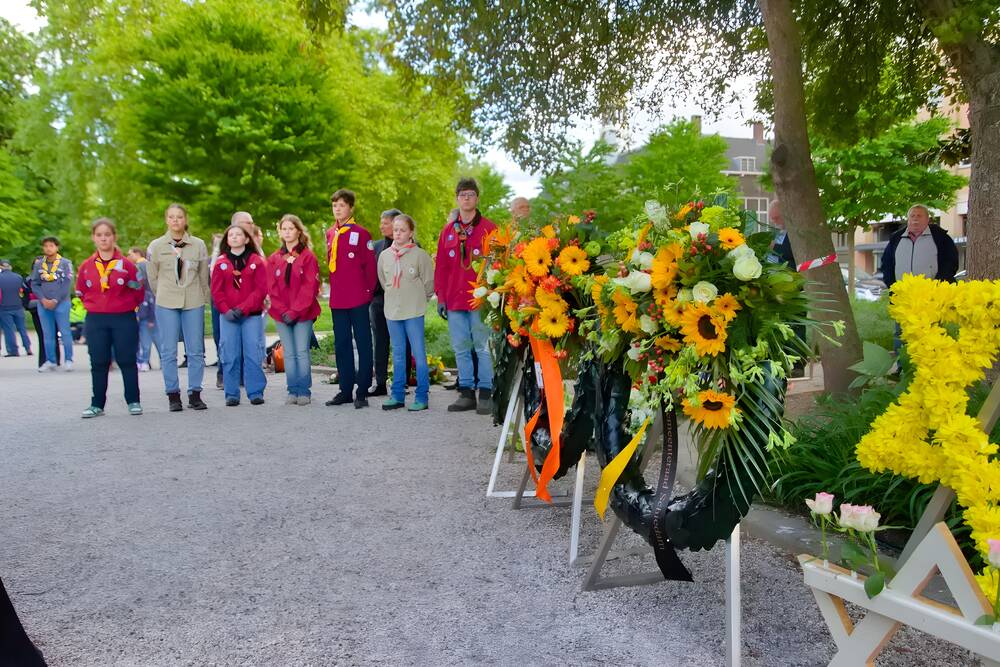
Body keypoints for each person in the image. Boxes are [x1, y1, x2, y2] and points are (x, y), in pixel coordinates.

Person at [435, 178, 496, 414]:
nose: (466, 198)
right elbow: (441, 266)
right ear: (457, 198)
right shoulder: (448, 231)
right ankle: (467, 392)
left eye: (471, 194)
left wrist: (494, 296)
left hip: (479, 299)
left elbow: (498, 266)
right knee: (461, 347)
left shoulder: (489, 229)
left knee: (482, 346)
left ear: (477, 198)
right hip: (454, 299)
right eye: (462, 195)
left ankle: (486, 392)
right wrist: (441, 297)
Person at [75, 218, 145, 418]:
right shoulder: (87, 266)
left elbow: (138, 290)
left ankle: (133, 400)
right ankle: (97, 404)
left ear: (114, 237)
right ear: (93, 238)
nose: (104, 239)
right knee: (98, 360)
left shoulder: (127, 265)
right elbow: (80, 290)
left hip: (123, 317)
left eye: (107, 234)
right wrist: (95, 304)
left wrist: (124, 304)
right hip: (96, 318)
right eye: (99, 235)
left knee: (127, 359)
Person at [146, 203, 210, 412]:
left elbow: (202, 276)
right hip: (167, 301)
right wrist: (162, 293)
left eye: (179, 217)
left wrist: (203, 297)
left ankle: (195, 393)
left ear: (185, 220)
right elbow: (152, 277)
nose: (175, 221)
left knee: (196, 350)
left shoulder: (198, 245)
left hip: (192, 300)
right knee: (168, 350)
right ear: (166, 220)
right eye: (171, 217)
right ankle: (173, 394)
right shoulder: (156, 246)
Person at [880, 204, 958, 352]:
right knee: (901, 334)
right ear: (908, 219)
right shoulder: (896, 238)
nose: (915, 219)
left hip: (931, 299)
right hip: (903, 298)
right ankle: (902, 368)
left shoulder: (941, 237)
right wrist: (892, 285)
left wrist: (937, 286)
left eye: (919, 216)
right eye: (912, 216)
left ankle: (928, 370)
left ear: (927, 219)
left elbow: (950, 263)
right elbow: (886, 264)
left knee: (931, 333)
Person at [324, 188, 377, 409]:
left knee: (363, 344)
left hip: (358, 299)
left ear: (351, 208)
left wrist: (366, 294)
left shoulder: (361, 234)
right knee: (342, 344)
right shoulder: (330, 234)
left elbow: (370, 268)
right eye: (334, 205)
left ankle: (362, 391)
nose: (337, 209)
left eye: (342, 205)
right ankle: (345, 389)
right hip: (338, 300)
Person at [378, 214, 434, 411]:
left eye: (402, 230)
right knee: (399, 354)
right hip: (393, 311)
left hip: (413, 310)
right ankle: (398, 395)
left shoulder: (420, 255)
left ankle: (422, 396)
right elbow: (383, 280)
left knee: (418, 353)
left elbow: (428, 283)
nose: (398, 233)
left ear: (411, 232)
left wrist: (419, 298)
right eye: (395, 230)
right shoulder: (385, 256)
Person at [211, 224, 268, 406]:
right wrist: (225, 310)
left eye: (238, 234)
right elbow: (216, 291)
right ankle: (232, 393)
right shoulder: (220, 263)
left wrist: (243, 308)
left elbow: (260, 290)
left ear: (246, 239)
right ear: (227, 240)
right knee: (230, 354)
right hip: (228, 316)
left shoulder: (257, 261)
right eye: (231, 235)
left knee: (253, 352)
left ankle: (255, 391)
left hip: (250, 314)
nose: (234, 237)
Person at [267, 214, 321, 405]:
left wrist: (295, 311)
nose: (288, 232)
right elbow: (271, 287)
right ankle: (292, 389)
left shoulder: (308, 257)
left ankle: (304, 390)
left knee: (301, 352)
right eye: (284, 229)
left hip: (302, 314)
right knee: (288, 353)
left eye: (291, 228)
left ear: (298, 230)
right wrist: (283, 310)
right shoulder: (274, 258)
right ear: (280, 232)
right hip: (281, 314)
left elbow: (309, 288)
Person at [370, 208, 414, 396]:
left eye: (386, 222)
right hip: (379, 301)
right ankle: (380, 383)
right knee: (380, 342)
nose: (382, 225)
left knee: (402, 342)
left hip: (402, 301)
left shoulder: (412, 248)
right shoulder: (376, 246)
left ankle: (401, 382)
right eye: (381, 222)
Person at [29, 236, 75, 371]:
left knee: (65, 332)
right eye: (46, 246)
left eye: (51, 246)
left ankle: (68, 359)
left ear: (57, 247)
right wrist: (43, 299)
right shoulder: (39, 264)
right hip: (43, 303)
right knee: (47, 333)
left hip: (61, 302)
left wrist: (55, 300)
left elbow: (67, 283)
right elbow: (35, 283)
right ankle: (51, 360)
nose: (48, 248)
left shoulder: (65, 263)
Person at [128, 246, 159, 371]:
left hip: (144, 301)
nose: (129, 257)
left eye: (130, 254)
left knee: (145, 336)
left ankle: (145, 360)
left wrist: (128, 284)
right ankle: (163, 360)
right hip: (154, 300)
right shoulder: (150, 264)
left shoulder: (139, 266)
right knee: (156, 336)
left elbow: (138, 284)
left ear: (137, 253)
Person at [0, 260, 32, 357]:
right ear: (10, 267)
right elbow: (23, 290)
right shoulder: (18, 277)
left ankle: (13, 350)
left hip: (4, 307)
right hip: (18, 306)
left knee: (9, 329)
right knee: (22, 328)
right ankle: (28, 348)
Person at [766, 200, 795, 268]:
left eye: (776, 218)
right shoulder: (776, 231)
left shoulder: (796, 233)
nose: (774, 222)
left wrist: (774, 247)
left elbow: (793, 255)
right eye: (772, 219)